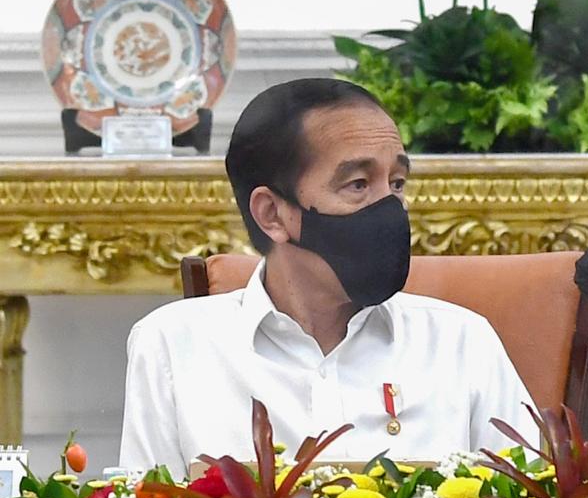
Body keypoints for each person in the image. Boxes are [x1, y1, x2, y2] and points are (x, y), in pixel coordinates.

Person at [120, 78, 537, 475]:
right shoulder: (172, 347)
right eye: (357, 184)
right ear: (272, 214)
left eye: (396, 183)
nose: (388, 209)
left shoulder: (462, 343)